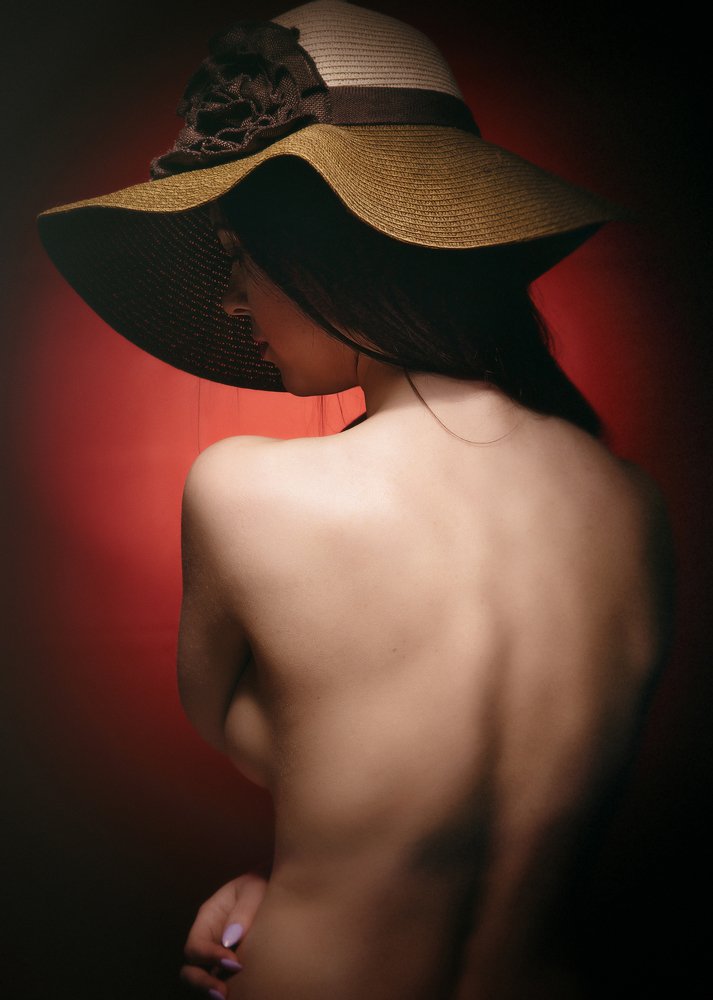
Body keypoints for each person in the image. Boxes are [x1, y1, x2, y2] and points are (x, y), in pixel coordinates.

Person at [37, 2, 673, 997]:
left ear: (322, 245)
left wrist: (305, 897)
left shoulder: (247, 487)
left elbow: (299, 759)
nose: (232, 301)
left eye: (240, 259)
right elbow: (454, 808)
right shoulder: (633, 508)